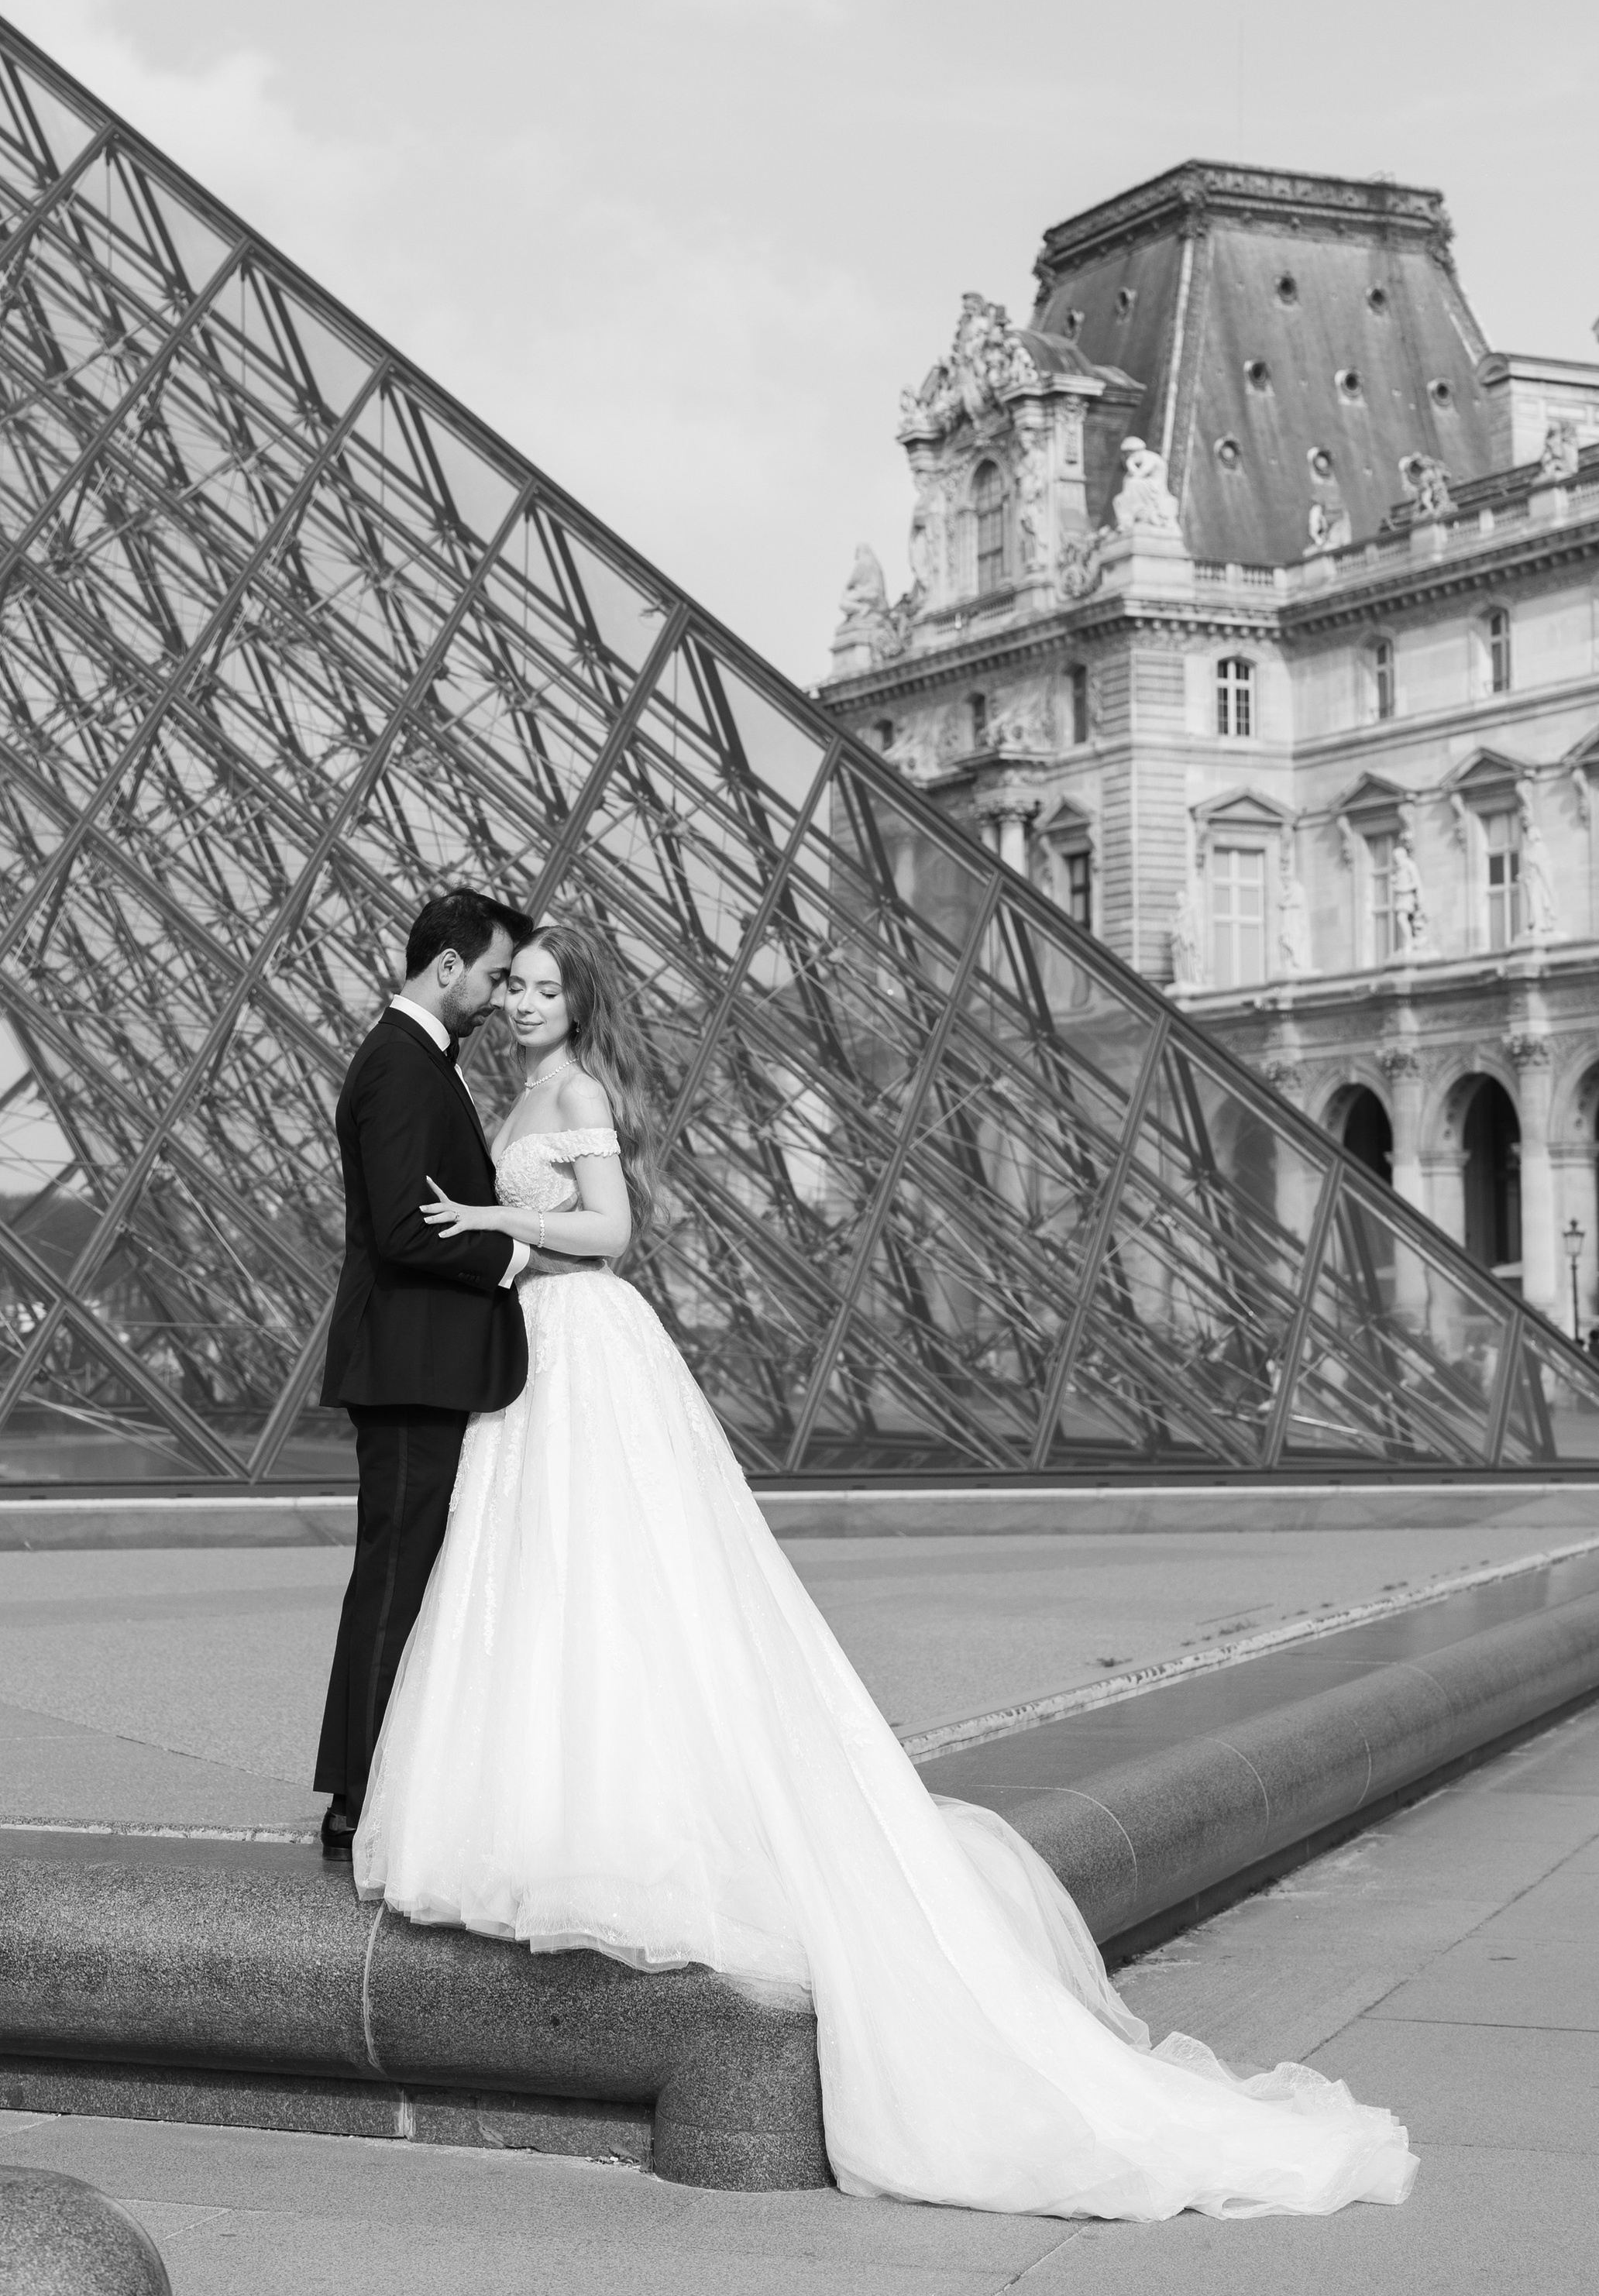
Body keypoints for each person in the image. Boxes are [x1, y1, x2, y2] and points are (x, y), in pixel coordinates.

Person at [353, 920, 1417, 2219]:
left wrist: (492, 1217)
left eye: (539, 988)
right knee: (556, 1597)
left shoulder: (572, 1089)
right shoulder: (516, 1084)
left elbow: (613, 1231)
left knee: (614, 1591)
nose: (518, 1003)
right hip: (539, 1367)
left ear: (584, 1003)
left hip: (581, 1351)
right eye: (511, 985)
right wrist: (500, 1220)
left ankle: (598, 1823)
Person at [311, 886, 536, 1858]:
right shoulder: (402, 1067)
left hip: (419, 1361)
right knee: (394, 1578)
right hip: (409, 1365)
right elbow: (406, 1229)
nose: (498, 998)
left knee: (400, 1577)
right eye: (493, 975)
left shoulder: (411, 1058)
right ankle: (358, 1798)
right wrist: (520, 1257)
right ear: (448, 966)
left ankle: (367, 1786)